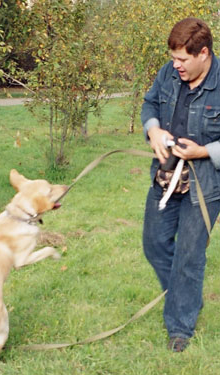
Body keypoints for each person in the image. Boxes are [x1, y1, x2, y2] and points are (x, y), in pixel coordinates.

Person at [141, 17, 220, 352]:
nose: (176, 66)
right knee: (154, 244)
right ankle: (185, 297)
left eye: (183, 60)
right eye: (173, 58)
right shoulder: (168, 72)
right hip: (164, 178)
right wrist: (154, 129)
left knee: (189, 256)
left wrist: (205, 151)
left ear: (203, 53)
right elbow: (149, 103)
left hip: (204, 186)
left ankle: (180, 327)